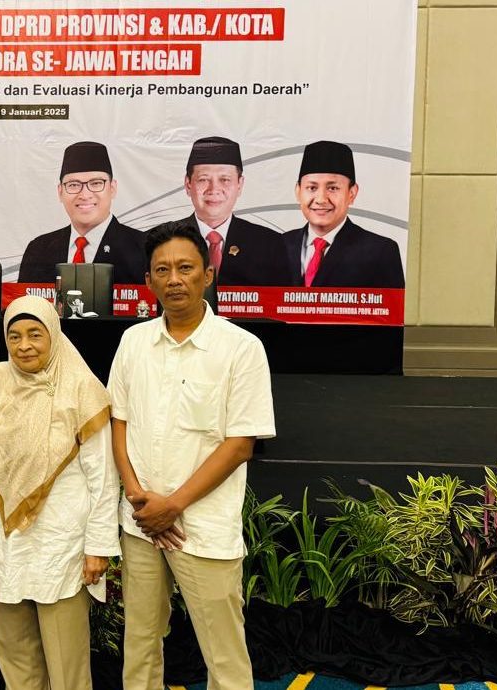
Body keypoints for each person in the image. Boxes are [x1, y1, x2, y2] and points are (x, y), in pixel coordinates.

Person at [109, 222, 275, 690]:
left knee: (223, 653)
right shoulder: (134, 342)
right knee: (140, 641)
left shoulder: (241, 348)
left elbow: (240, 444)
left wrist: (174, 505)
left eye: (185, 268)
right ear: (148, 281)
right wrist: (138, 496)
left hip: (202, 527)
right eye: (162, 270)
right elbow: (119, 422)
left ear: (208, 274)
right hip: (141, 523)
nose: (174, 279)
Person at [0, 295, 119, 690]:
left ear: (53, 335)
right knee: (14, 653)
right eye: (15, 336)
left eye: (35, 335)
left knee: (66, 661)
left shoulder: (80, 387)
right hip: (5, 537)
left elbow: (103, 477)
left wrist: (98, 546)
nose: (24, 345)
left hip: (61, 542)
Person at [281, 140, 405, 288]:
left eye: (332, 188)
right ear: (298, 191)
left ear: (352, 193)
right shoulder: (279, 245)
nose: (321, 199)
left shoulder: (380, 251)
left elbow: (391, 303)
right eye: (312, 188)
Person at [18, 141, 146, 285]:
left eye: (96, 183)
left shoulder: (144, 248)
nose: (85, 195)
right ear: (60, 192)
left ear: (112, 188)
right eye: (73, 185)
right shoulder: (39, 250)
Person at [177, 136, 288, 286]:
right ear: (188, 184)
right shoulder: (159, 241)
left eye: (225, 180)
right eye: (203, 179)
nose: (214, 189)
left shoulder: (269, 245)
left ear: (239, 185)